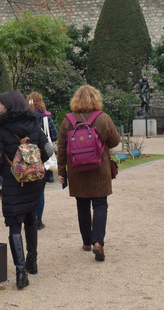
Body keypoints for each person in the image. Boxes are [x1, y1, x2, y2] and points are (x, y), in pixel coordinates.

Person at [0, 90, 53, 289]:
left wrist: (8, 172)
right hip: (33, 181)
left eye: (1, 104)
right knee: (30, 218)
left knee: (14, 224)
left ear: (9, 105)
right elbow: (48, 150)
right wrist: (33, 165)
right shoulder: (33, 124)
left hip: (12, 182)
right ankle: (32, 262)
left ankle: (20, 272)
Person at [57, 85, 121, 262]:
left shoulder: (67, 120)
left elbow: (61, 149)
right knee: (100, 205)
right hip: (99, 170)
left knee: (82, 205)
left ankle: (86, 242)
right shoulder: (103, 118)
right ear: (96, 99)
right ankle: (98, 242)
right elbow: (115, 141)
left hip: (77, 171)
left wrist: (62, 171)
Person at [27, 92, 58, 230]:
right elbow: (55, 136)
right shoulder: (46, 118)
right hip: (43, 157)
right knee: (41, 191)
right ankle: (38, 219)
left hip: (28, 157)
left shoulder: (25, 117)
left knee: (28, 190)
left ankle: (29, 217)